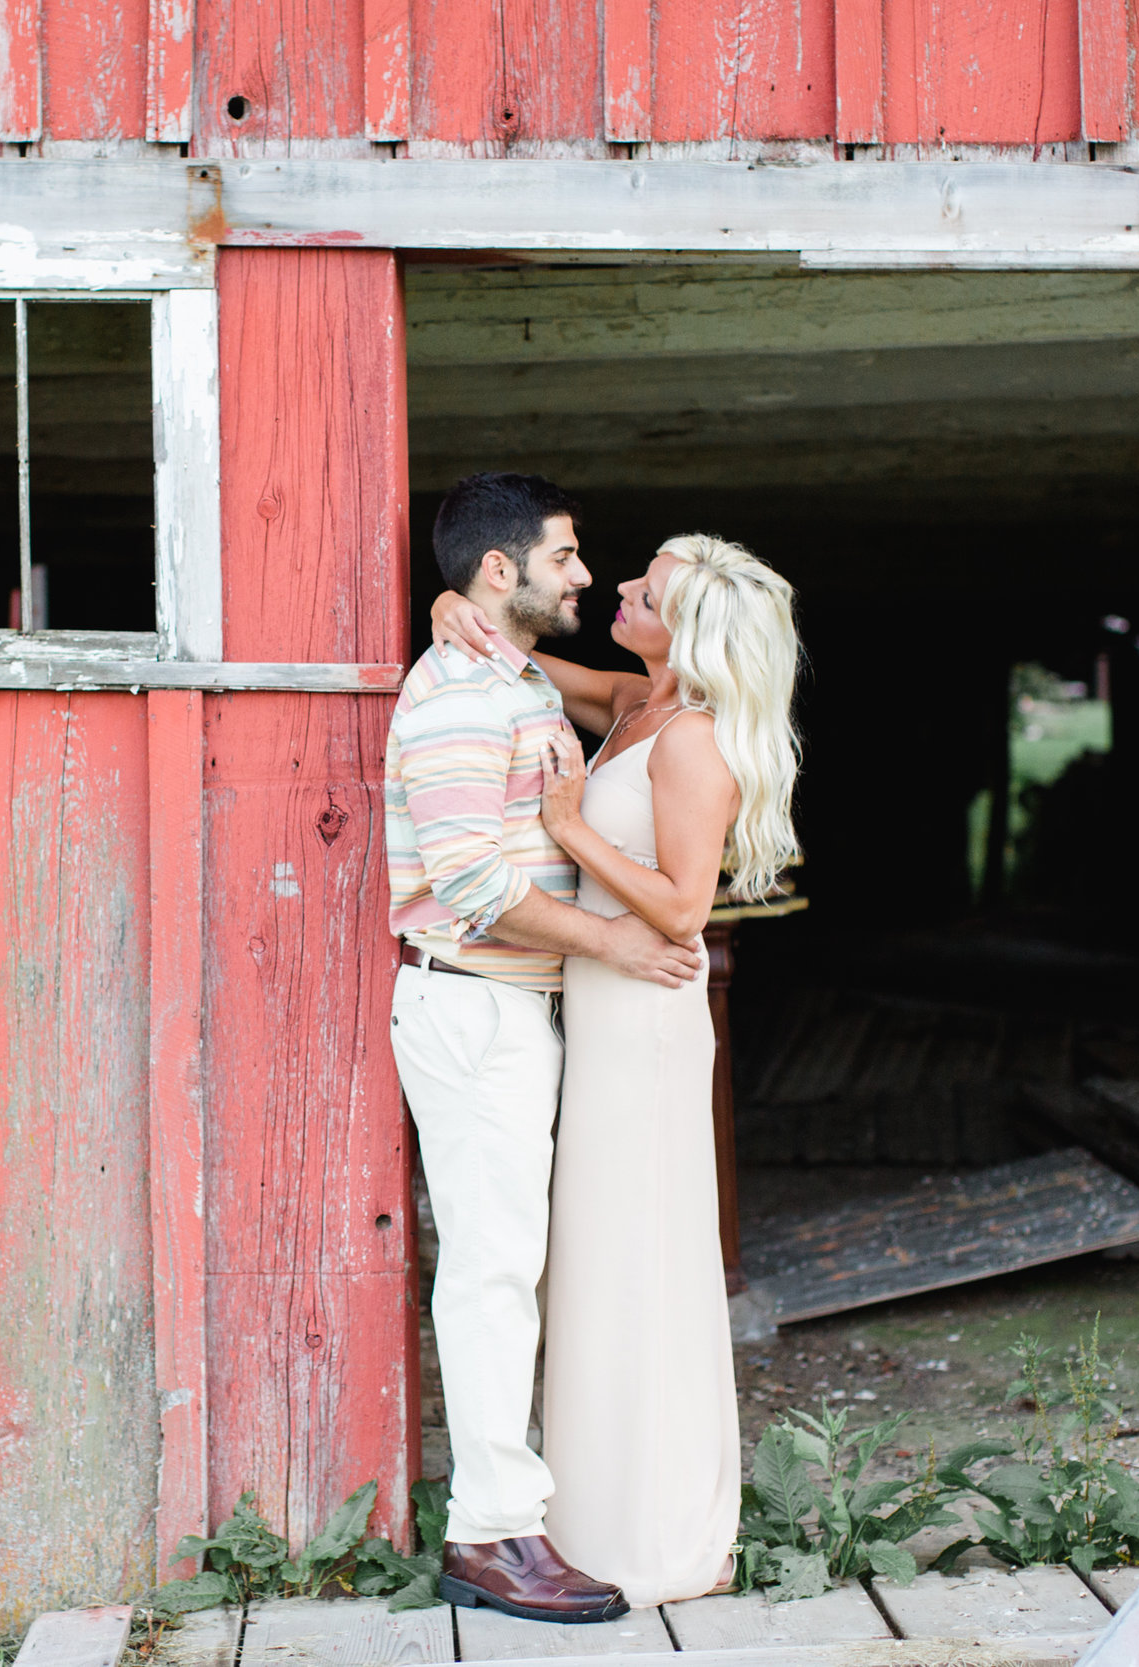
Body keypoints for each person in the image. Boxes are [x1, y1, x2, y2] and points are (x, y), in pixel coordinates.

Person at [430, 532, 804, 1608]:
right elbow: (532, 663)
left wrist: (564, 830)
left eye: (648, 588)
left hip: (642, 1020)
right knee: (596, 1267)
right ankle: (592, 1514)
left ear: (687, 633)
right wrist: (454, 612)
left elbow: (686, 904)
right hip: (600, 1012)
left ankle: (652, 1535)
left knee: (640, 1269)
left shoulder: (690, 739)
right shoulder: (636, 701)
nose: (622, 589)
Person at [384, 474, 703, 1625]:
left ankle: (513, 1513)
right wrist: (613, 938)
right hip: (473, 1002)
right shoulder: (460, 694)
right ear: (500, 572)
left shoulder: (511, 674)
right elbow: (469, 879)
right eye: (565, 557)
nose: (584, 574)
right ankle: (491, 1536)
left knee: (510, 1264)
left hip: (515, 1010)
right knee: (490, 1270)